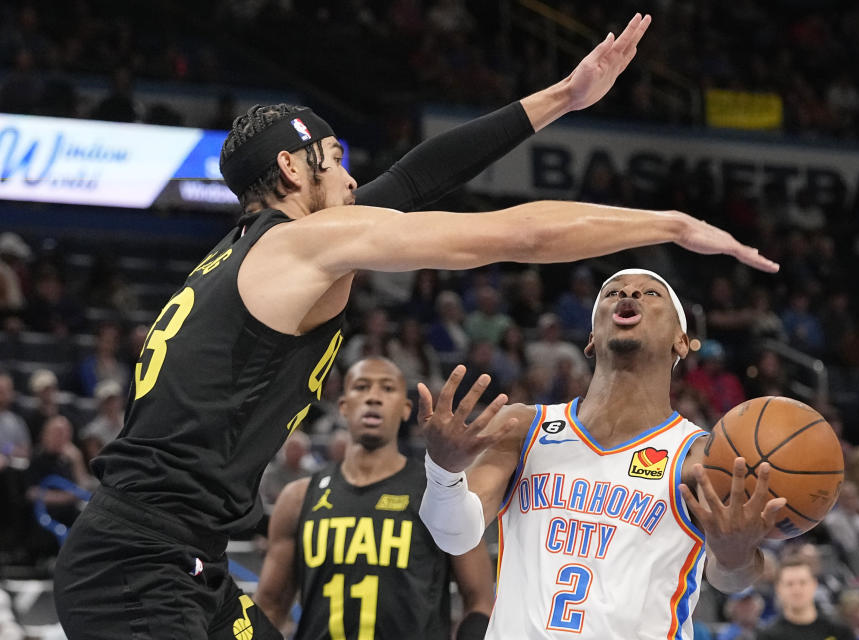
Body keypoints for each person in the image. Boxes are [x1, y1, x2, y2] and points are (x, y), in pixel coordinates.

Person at [54, 15, 782, 640]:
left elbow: (413, 180)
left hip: (175, 554)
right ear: (289, 167)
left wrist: (564, 96)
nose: (349, 176)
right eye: (333, 161)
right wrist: (669, 225)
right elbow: (513, 235)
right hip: (141, 564)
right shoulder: (303, 245)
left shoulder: (260, 250)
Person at [418, 269, 785, 638]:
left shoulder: (699, 455)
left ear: (681, 340)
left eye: (651, 293)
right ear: (591, 339)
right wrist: (444, 472)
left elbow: (730, 578)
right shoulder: (525, 427)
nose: (629, 293)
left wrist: (735, 553)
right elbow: (455, 536)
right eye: (613, 292)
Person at [255, 357, 494, 639]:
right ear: (343, 406)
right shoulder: (297, 498)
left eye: (387, 388)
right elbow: (270, 605)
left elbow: (480, 602)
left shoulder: (440, 493)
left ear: (406, 409)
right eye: (362, 387)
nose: (373, 398)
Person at [757, 557, 856, 640]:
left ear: (814, 585)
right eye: (789, 584)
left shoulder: (839, 630)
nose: (797, 590)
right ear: (778, 588)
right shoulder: (768, 636)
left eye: (803, 582)